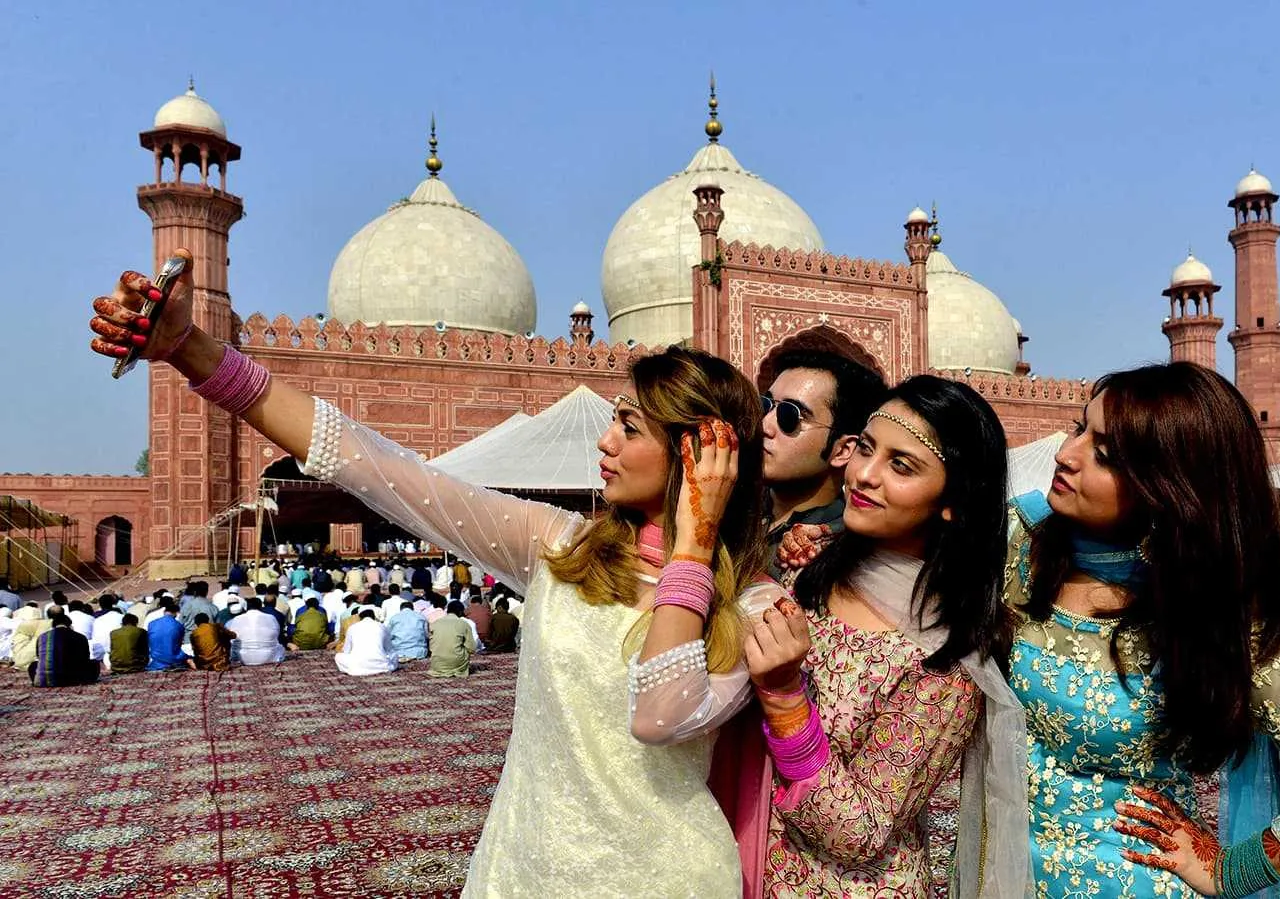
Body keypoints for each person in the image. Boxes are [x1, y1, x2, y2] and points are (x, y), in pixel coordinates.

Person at [89, 256, 789, 898]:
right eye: (612, 420)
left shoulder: (755, 605)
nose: (604, 443)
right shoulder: (560, 548)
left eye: (630, 429)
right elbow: (368, 462)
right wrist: (190, 349)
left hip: (666, 880)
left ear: (702, 456)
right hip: (525, 868)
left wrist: (693, 548)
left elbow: (658, 716)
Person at [1005, 363, 1280, 898]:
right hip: (999, 866)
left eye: (1102, 454)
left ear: (1170, 487)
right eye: (1078, 429)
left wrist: (1231, 870)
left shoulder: (1207, 613)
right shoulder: (1023, 544)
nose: (1066, 454)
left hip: (1126, 879)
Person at [744, 375, 1027, 896]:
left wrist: (786, 699)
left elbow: (861, 832)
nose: (864, 476)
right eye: (867, 449)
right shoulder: (810, 574)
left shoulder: (944, 655)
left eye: (901, 465)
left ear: (953, 501)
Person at [759, 350, 885, 585]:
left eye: (790, 415)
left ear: (842, 450)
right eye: (765, 406)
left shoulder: (836, 549)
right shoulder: (733, 506)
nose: (765, 425)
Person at [30, 613, 99, 686]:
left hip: (46, 680)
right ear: (70, 625)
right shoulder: (80, 637)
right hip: (75, 680)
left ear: (53, 626)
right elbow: (86, 657)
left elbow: (39, 656)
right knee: (94, 663)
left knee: (33, 665)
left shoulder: (42, 637)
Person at [335, 609, 399, 676]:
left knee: (338, 656)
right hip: (382, 666)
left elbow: (346, 651)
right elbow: (390, 650)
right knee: (394, 655)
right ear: (374, 617)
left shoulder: (352, 627)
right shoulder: (382, 626)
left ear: (360, 618)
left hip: (358, 668)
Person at [428, 601, 478, 677]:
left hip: (437, 664)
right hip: (456, 663)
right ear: (460, 612)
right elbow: (472, 648)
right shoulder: (463, 623)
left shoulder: (436, 623)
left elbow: (431, 646)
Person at [232, 596, 286, 666]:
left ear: (246, 607)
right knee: (280, 648)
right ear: (261, 606)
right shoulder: (271, 617)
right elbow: (277, 635)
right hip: (268, 657)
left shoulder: (237, 619)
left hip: (242, 657)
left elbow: (232, 639)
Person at [146, 601, 191, 671]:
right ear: (176, 613)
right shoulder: (178, 625)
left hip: (156, 660)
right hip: (173, 659)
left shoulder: (151, 624)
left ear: (164, 611)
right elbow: (178, 644)